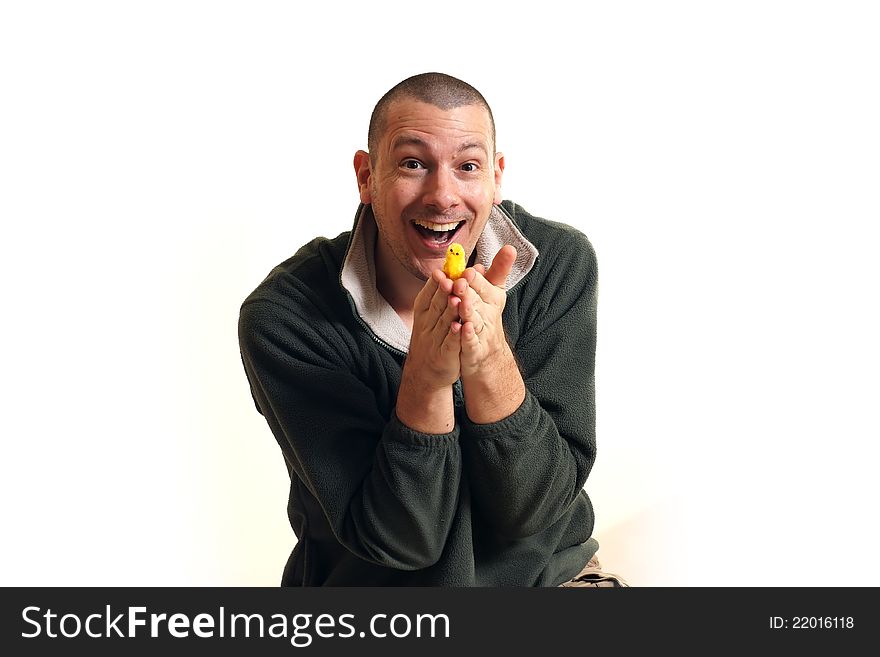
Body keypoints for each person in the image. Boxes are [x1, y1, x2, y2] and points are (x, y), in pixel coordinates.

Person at [238, 72, 626, 587]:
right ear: (366, 176)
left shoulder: (557, 265)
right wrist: (425, 380)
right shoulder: (287, 316)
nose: (442, 195)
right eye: (413, 164)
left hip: (548, 582)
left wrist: (490, 362)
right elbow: (401, 540)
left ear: (497, 175)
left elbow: (537, 510)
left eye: (468, 166)